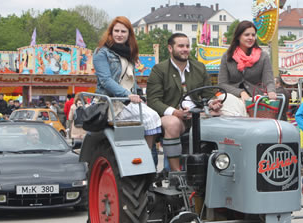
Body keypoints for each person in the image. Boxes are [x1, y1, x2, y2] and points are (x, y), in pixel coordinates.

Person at [147, 33, 223, 171]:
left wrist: (213, 103)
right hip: (172, 116)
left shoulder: (199, 67)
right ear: (170, 48)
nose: (185, 49)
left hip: (198, 114)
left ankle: (219, 166)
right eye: (181, 46)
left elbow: (208, 94)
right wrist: (176, 112)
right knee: (172, 123)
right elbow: (153, 101)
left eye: (187, 46)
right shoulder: (159, 70)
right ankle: (176, 174)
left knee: (224, 117)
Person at [94, 16, 161, 151]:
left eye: (123, 31)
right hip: (112, 102)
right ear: (111, 32)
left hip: (126, 100)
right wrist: (128, 95)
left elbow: (130, 80)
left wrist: (139, 94)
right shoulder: (101, 53)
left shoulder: (128, 53)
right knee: (151, 118)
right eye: (116, 31)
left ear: (129, 34)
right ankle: (146, 154)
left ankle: (145, 152)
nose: (119, 34)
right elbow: (105, 80)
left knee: (156, 118)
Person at [218, 20, 276, 117]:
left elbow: (269, 81)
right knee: (226, 101)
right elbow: (222, 84)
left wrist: (271, 91)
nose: (250, 38)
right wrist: (241, 92)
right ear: (238, 36)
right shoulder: (227, 57)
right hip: (233, 97)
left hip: (255, 99)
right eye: (247, 35)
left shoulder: (263, 56)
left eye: (253, 35)